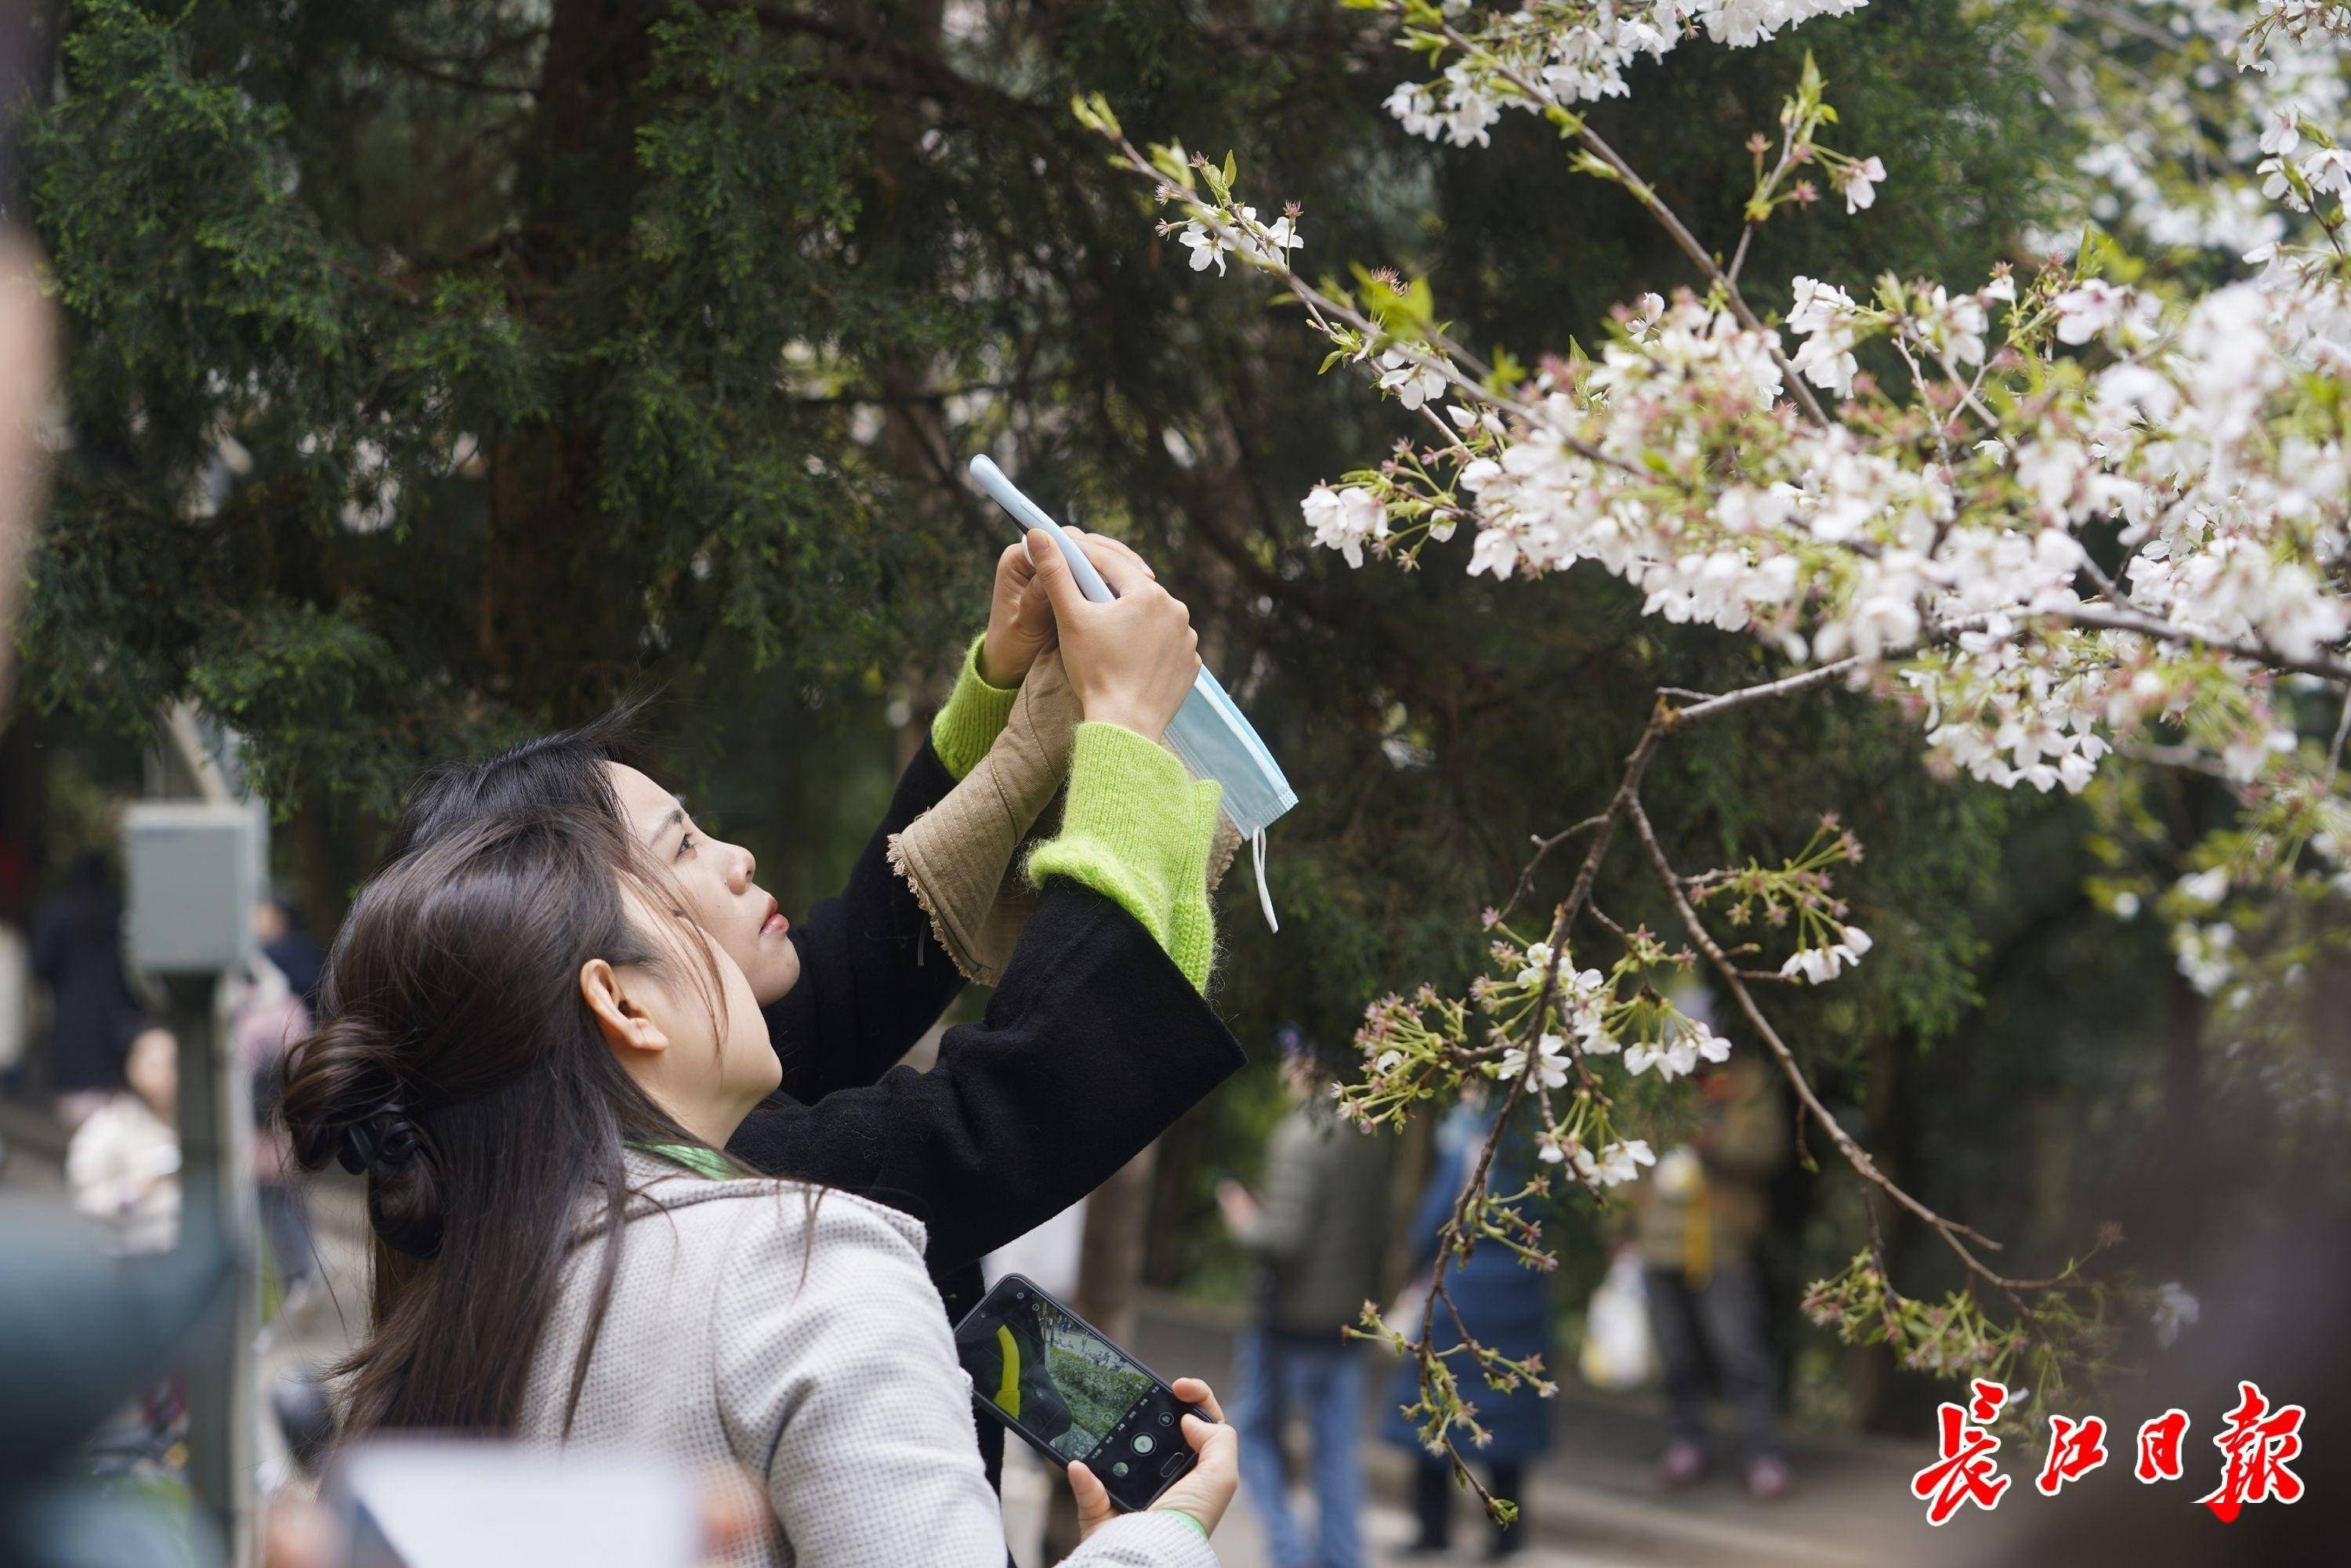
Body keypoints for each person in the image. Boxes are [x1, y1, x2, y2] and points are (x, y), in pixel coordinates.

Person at [389, 526, 1250, 1487]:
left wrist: (1003, 691)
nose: (736, 855)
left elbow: (854, 974)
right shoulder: (752, 1231)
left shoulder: (586, 1154)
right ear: (614, 992)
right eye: (682, 848)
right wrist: (1124, 732)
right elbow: (992, 1122)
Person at [277, 802, 1238, 1566]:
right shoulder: (811, 1270)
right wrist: (1153, 1545)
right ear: (620, 1000)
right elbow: (1004, 1105)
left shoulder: (436, 1322)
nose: (730, 863)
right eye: (678, 871)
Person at [1216, 1027, 1390, 1568]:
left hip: (1289, 1324)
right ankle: (1341, 1558)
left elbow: (1283, 1240)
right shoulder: (1368, 1134)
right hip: (1345, 1322)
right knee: (1336, 1453)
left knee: (1251, 1436)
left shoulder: (1299, 1136)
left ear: (1303, 1065)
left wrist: (1243, 1218)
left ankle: (1289, 1552)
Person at [1385, 1095, 1554, 1559]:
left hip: (1459, 1298)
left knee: (1439, 1412)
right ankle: (1506, 1534)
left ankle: (1433, 1529)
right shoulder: (1540, 1143)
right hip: (1520, 1303)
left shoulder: (1468, 1135)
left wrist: (1415, 1262)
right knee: (1508, 1423)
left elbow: (1435, 1217)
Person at [1631, 1051, 1791, 1500]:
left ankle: (1762, 1454)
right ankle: (1687, 1444)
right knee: (1677, 1356)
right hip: (1659, 1243)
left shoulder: (1748, 1077)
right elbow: (1630, 1159)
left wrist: (1712, 1139)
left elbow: (1766, 1148)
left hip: (1723, 1246)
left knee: (1740, 1354)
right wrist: (1621, 1227)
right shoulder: (1654, 1072)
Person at [31, 851, 139, 1130]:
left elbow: (42, 964)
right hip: (115, 1018)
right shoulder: (118, 907)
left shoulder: (57, 911)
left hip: (71, 1020)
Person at [64, 1022, 182, 1255]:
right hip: (132, 1258)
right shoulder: (108, 1127)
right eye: (156, 1064)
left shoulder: (200, 1123)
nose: (168, 1073)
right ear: (133, 1067)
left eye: (175, 1063)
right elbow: (82, 1201)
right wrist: (134, 1190)